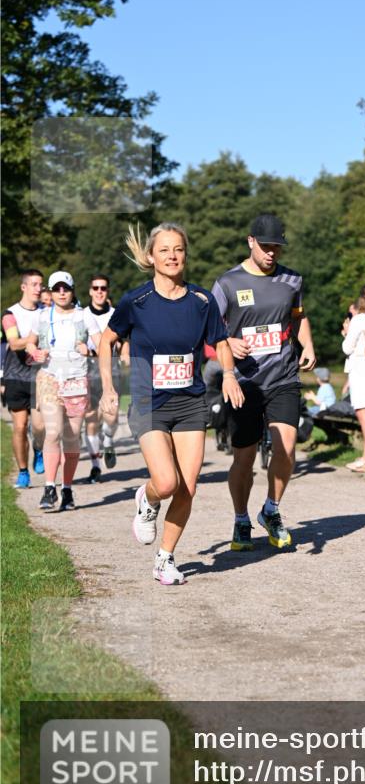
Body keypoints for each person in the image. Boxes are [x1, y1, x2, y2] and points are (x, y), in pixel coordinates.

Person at [98, 222, 243, 586]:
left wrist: (227, 375)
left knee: (188, 486)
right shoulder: (137, 300)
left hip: (191, 402)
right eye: (164, 250)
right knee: (165, 482)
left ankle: (165, 558)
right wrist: (107, 388)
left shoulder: (201, 301)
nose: (173, 256)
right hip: (149, 402)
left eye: (178, 249)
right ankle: (146, 500)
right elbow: (106, 341)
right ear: (151, 256)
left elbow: (220, 341)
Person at [211, 213, 316, 552]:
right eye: (267, 246)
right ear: (250, 241)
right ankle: (241, 518)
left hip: (283, 375)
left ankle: (271, 510)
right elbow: (208, 333)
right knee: (244, 457)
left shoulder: (292, 280)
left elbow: (298, 318)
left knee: (286, 447)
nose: (272, 253)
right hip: (244, 382)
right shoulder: (227, 283)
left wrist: (308, 344)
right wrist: (227, 344)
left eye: (278, 248)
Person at [25, 271, 89, 510]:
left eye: (66, 288)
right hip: (50, 378)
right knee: (53, 433)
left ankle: (68, 489)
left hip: (77, 381)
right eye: (57, 288)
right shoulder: (42, 317)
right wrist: (35, 351)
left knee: (72, 439)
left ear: (72, 291)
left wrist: (88, 348)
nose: (62, 292)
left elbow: (102, 340)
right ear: (50, 292)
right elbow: (30, 342)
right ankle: (49, 488)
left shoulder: (85, 316)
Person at [1, 269, 46, 488]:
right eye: (35, 284)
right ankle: (22, 471)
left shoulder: (47, 312)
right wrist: (35, 337)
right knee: (20, 427)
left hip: (40, 377)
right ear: (24, 287)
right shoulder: (10, 314)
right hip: (15, 376)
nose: (39, 289)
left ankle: (38, 449)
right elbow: (14, 343)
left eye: (41, 285)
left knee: (39, 426)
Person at [83, 274, 119, 481]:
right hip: (86, 370)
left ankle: (109, 439)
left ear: (107, 291)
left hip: (110, 370)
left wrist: (124, 353)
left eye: (103, 288)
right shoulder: (81, 314)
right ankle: (95, 465)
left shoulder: (115, 314)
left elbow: (124, 340)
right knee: (91, 418)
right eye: (95, 288)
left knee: (111, 416)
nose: (99, 291)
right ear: (90, 291)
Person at [341, 291, 365, 473]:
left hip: (360, 370)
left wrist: (347, 332)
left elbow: (347, 347)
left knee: (364, 416)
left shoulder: (358, 320)